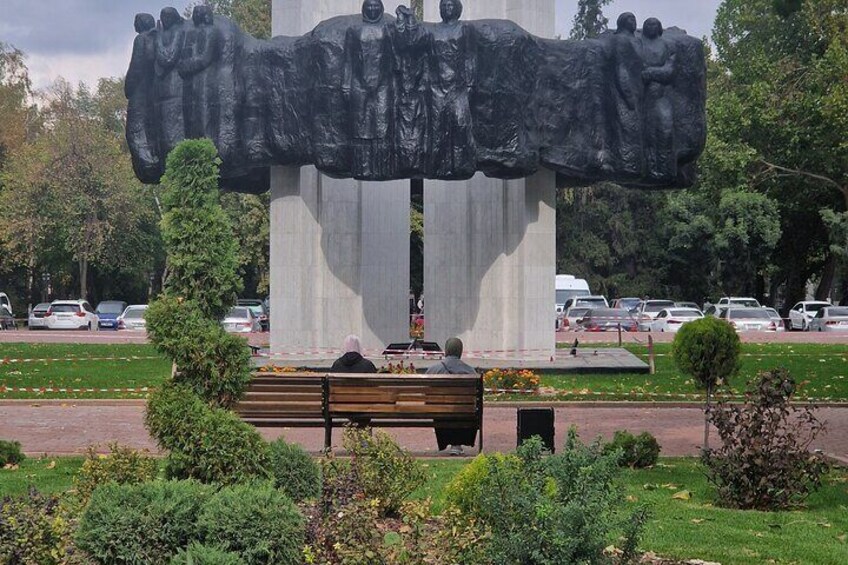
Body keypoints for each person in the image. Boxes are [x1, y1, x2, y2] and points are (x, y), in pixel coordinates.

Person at [426, 337, 477, 455]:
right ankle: (457, 444)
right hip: (465, 414)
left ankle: (448, 442)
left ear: (446, 350)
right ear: (460, 351)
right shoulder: (470, 371)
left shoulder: (433, 370)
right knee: (462, 410)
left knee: (442, 409)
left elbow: (427, 394)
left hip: (440, 414)